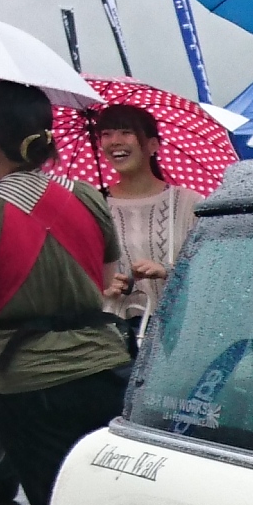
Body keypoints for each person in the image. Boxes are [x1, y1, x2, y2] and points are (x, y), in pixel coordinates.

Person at [0, 80, 130, 505]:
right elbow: (103, 281)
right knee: (113, 502)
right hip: (102, 367)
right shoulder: (86, 194)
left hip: (25, 382)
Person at [88, 101, 194, 350]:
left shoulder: (189, 203)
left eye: (126, 132)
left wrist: (168, 271)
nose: (115, 141)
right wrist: (102, 286)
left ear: (153, 144)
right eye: (106, 134)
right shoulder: (93, 205)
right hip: (111, 341)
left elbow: (210, 270)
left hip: (177, 337)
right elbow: (76, 276)